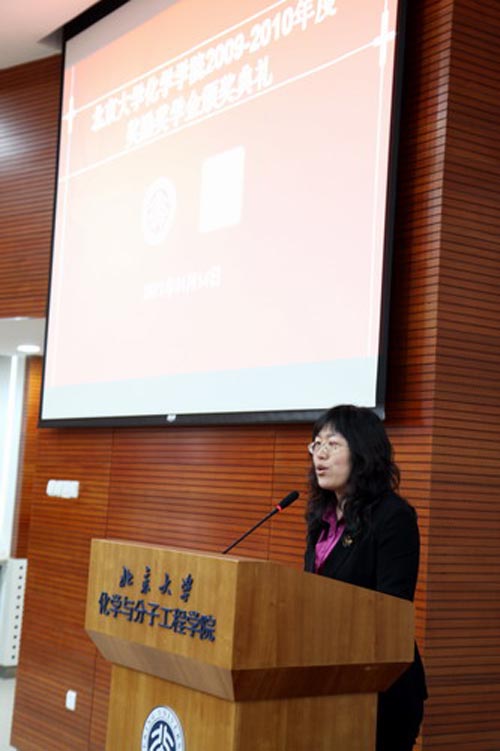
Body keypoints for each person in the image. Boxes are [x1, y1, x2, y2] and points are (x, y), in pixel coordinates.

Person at [304, 404, 427, 751]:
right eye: (316, 444)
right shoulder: (321, 518)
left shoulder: (393, 517)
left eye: (332, 444)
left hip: (380, 688)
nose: (320, 454)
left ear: (362, 452)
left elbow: (392, 608)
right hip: (327, 680)